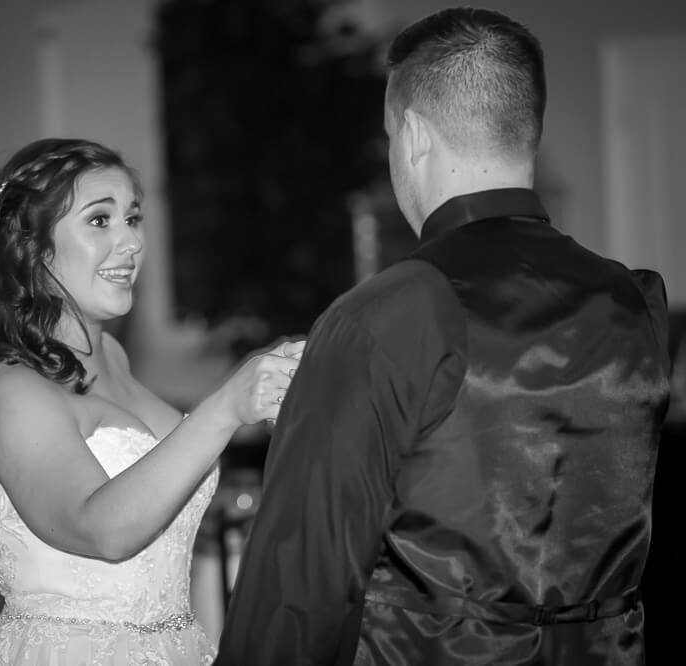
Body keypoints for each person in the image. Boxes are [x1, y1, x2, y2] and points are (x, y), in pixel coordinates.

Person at [215, 7, 669, 666]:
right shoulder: (636, 301)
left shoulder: (388, 313)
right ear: (528, 133)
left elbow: (300, 581)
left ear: (414, 137)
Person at [0, 138, 303, 665]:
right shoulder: (13, 391)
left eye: (132, 218)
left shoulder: (111, 354)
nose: (131, 242)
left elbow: (160, 469)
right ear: (31, 245)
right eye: (99, 221)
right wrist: (224, 407)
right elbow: (103, 529)